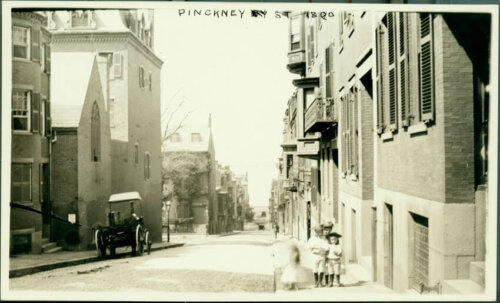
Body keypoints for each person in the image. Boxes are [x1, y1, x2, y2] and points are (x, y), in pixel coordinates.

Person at [322, 221, 334, 285]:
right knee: (326, 268)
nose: (327, 231)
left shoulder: (333, 236)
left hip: (331, 255)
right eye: (326, 230)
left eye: (329, 230)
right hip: (324, 254)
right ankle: (326, 282)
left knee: (331, 268)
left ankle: (331, 281)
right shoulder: (322, 237)